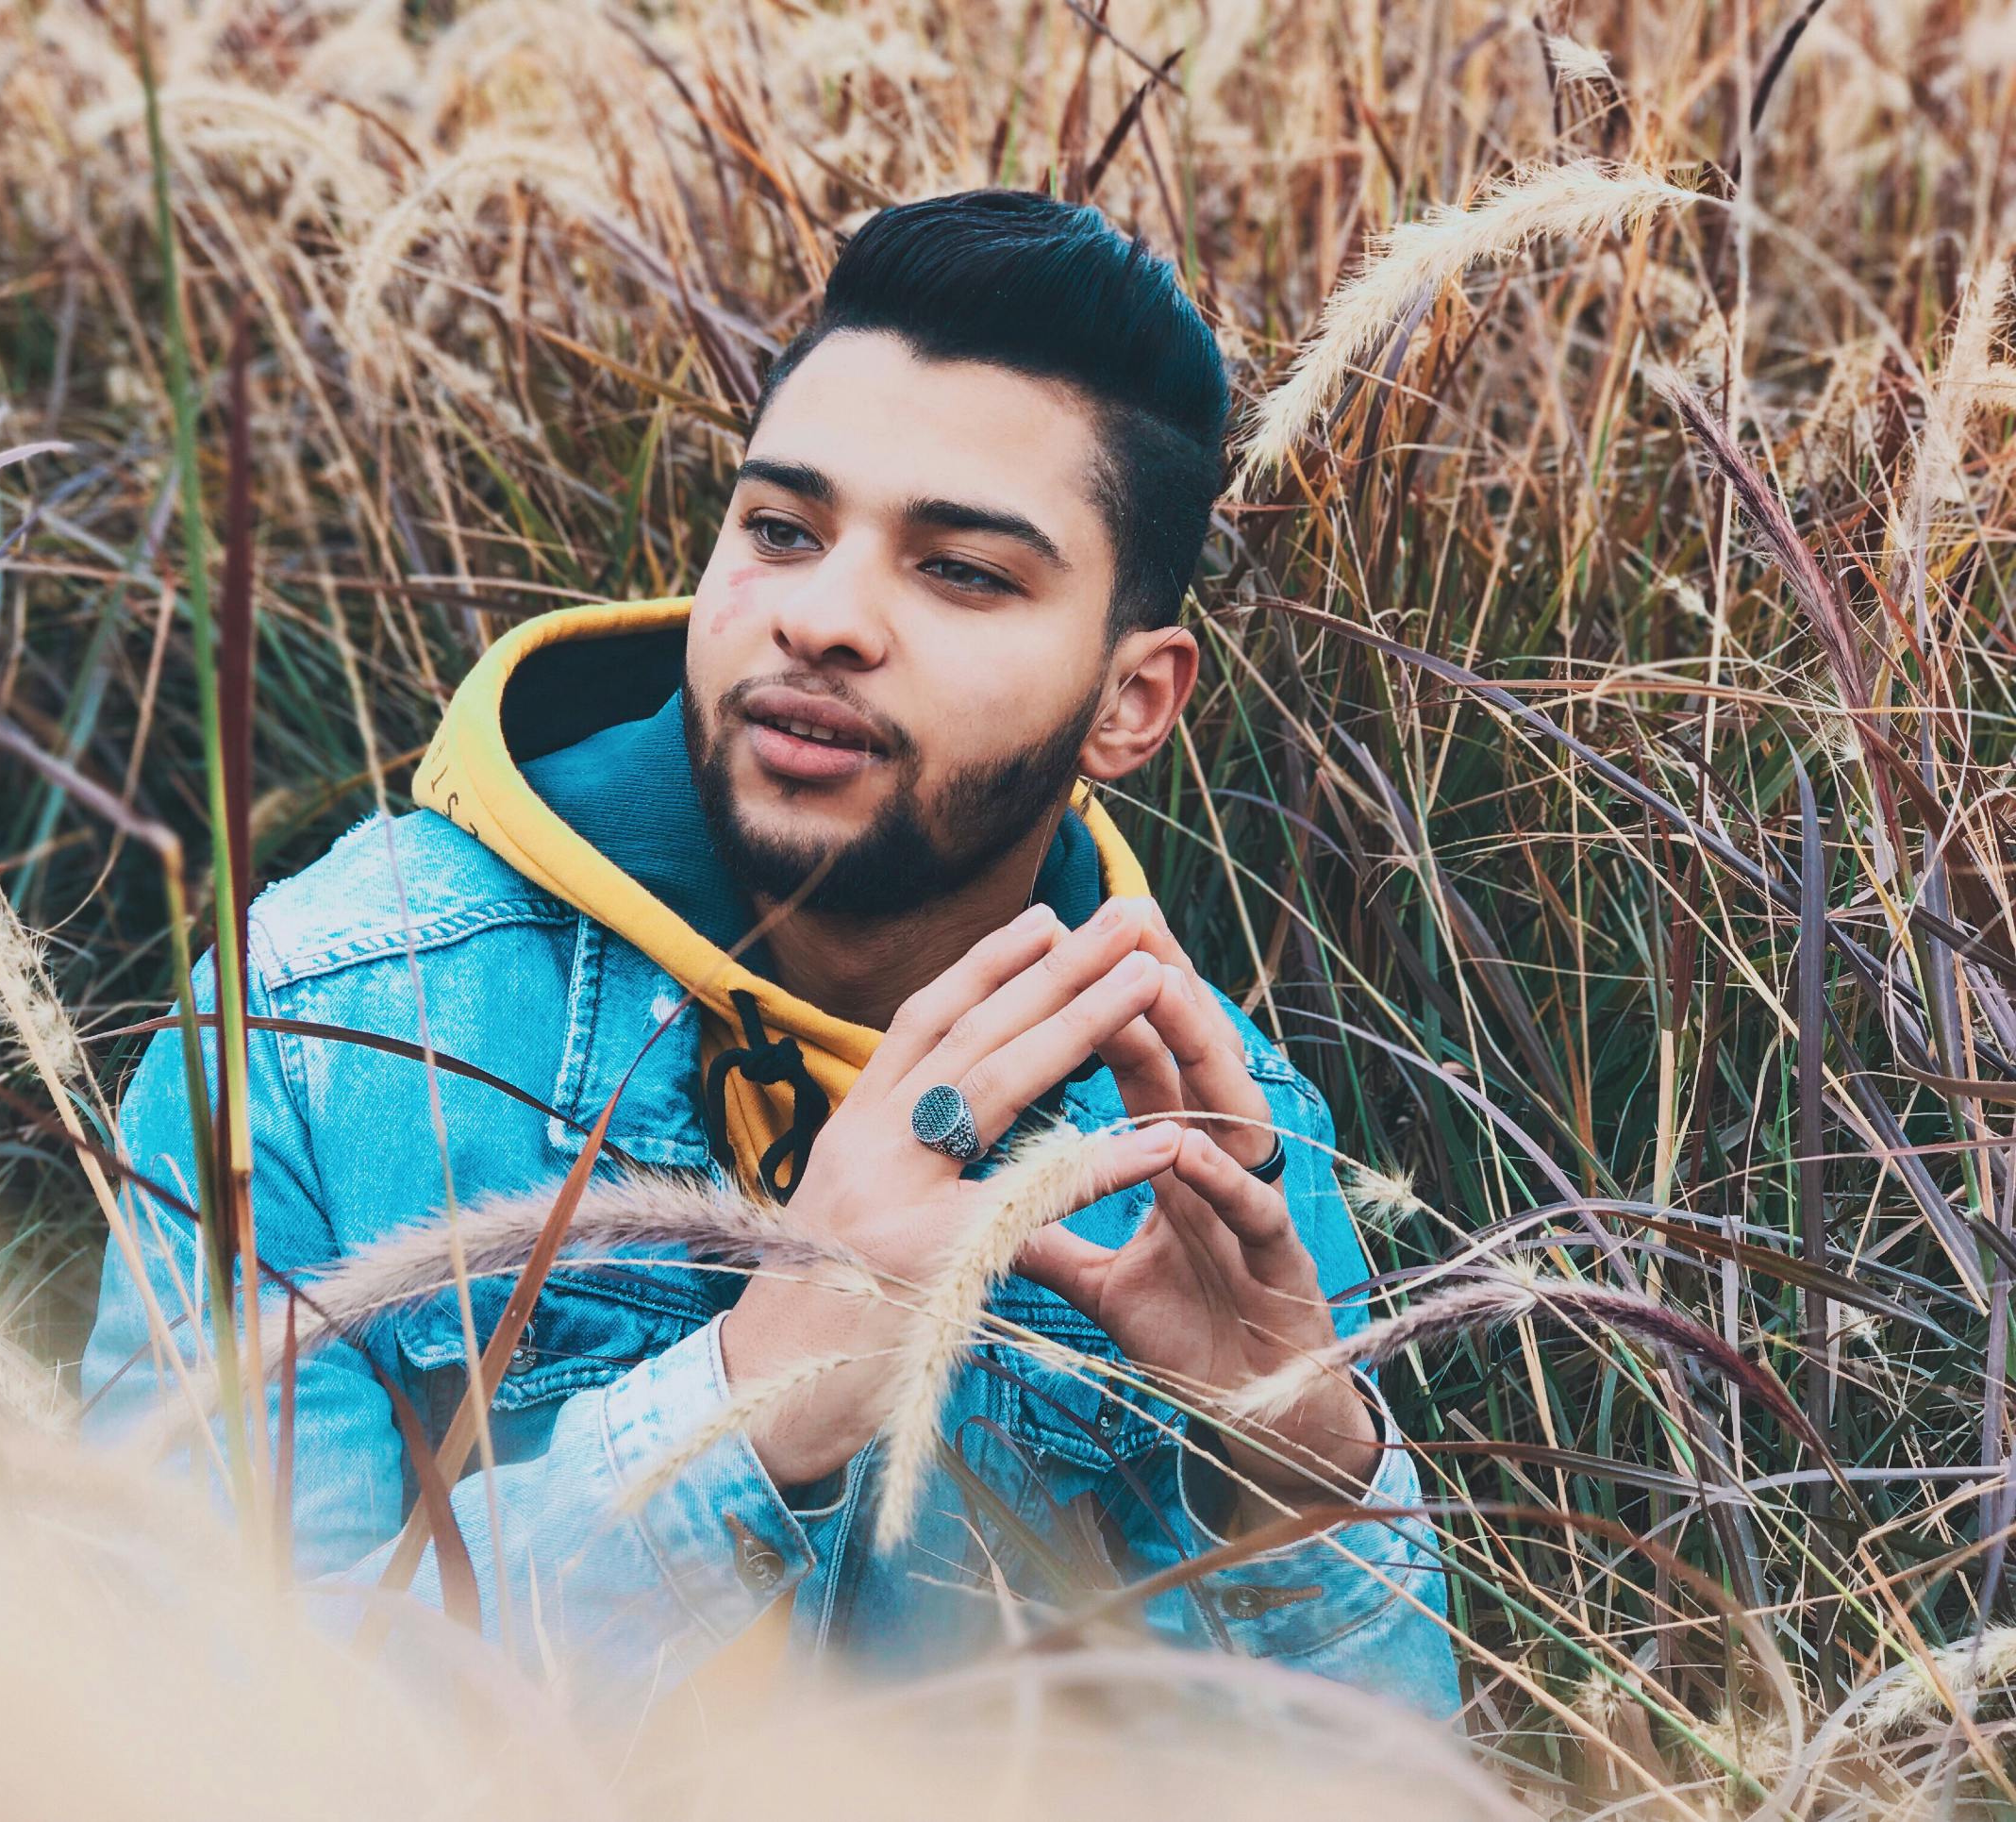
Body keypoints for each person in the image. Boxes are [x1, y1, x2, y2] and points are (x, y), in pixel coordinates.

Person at [80, 189, 1458, 1719]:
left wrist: (1299, 1479)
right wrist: (753, 1394)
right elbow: (203, 1728)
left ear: (1131, 703)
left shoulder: (1214, 1145)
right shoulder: (330, 1022)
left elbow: (1367, 1780)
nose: (826, 617)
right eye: (784, 529)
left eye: (964, 571)